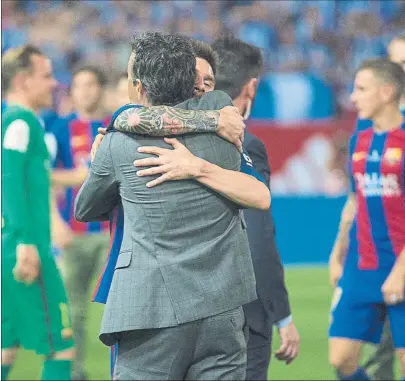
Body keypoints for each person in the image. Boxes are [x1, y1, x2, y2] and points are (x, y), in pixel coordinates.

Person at [75, 32, 269, 380]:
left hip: (150, 310)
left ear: (140, 86)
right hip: (222, 309)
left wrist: (100, 164)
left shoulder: (119, 142)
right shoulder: (227, 132)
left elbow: (85, 209)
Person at [112, 35, 300, 379]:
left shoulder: (234, 143)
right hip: (151, 302)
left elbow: (259, 204)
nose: (200, 89)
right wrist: (212, 122)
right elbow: (128, 118)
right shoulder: (130, 130)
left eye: (208, 82)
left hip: (219, 306)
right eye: (194, 80)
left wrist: (198, 165)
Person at [328, 58, 405, 381]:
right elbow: (353, 201)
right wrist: (337, 254)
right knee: (341, 358)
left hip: (400, 264)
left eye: (361, 89)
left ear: (387, 91)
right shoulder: (359, 141)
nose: (353, 97)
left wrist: (401, 271)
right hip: (362, 266)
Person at [1, 45, 75, 380]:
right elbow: (9, 178)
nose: (54, 83)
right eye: (46, 76)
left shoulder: (15, 121)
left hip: (15, 243)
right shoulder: (21, 121)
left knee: (6, 345)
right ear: (22, 80)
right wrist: (26, 243)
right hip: (26, 247)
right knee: (61, 345)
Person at [49, 65, 112, 380]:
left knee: (119, 305)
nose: (85, 91)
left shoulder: (114, 126)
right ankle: (75, 373)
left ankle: (125, 370)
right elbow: (40, 175)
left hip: (110, 233)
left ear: (99, 88)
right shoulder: (59, 129)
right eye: (79, 85)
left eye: (90, 84)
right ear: (71, 91)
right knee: (73, 310)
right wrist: (54, 224)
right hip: (71, 235)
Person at [352, 34, 405, 381]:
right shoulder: (370, 126)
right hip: (383, 260)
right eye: (397, 63)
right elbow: (356, 195)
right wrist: (342, 249)